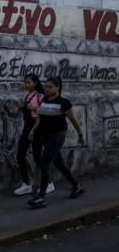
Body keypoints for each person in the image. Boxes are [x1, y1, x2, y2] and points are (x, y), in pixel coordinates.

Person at [27, 77, 86, 209]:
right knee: (59, 164)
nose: (47, 89)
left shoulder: (64, 103)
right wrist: (33, 130)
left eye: (50, 87)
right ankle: (77, 186)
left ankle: (41, 197)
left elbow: (73, 120)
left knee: (45, 162)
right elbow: (40, 117)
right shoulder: (45, 100)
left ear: (57, 87)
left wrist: (80, 134)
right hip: (46, 137)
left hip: (57, 136)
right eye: (46, 87)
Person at [12, 74, 53, 196]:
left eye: (28, 82)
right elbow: (28, 108)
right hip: (27, 127)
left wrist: (33, 108)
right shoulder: (28, 95)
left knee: (37, 157)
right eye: (25, 82)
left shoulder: (40, 96)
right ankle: (26, 184)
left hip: (37, 128)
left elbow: (44, 112)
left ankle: (49, 183)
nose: (26, 85)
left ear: (35, 83)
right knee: (20, 155)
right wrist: (23, 107)